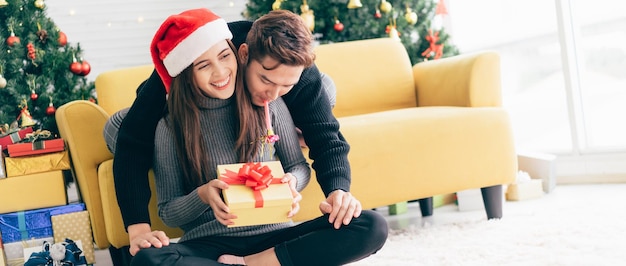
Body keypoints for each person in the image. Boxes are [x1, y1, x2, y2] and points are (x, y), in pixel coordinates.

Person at [109, 7, 386, 262]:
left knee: (370, 225)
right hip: (209, 242)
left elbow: (325, 137)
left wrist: (337, 191)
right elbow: (132, 143)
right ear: (243, 56)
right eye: (265, 80)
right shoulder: (178, 89)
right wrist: (141, 227)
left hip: (273, 234)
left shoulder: (284, 95)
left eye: (285, 86)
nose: (273, 94)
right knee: (148, 260)